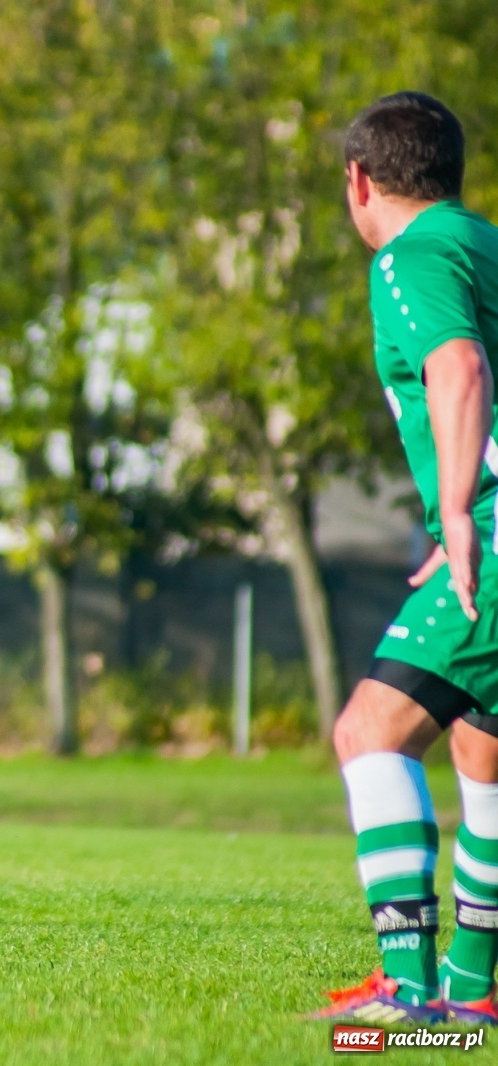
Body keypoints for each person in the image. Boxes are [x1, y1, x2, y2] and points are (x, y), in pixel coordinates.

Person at [317, 92, 498, 1027]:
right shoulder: (485, 244)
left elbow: (459, 367)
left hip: (497, 533)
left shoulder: (411, 255)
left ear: (360, 180)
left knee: (369, 733)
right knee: (482, 745)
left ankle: (405, 996)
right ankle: (475, 995)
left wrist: (459, 513)